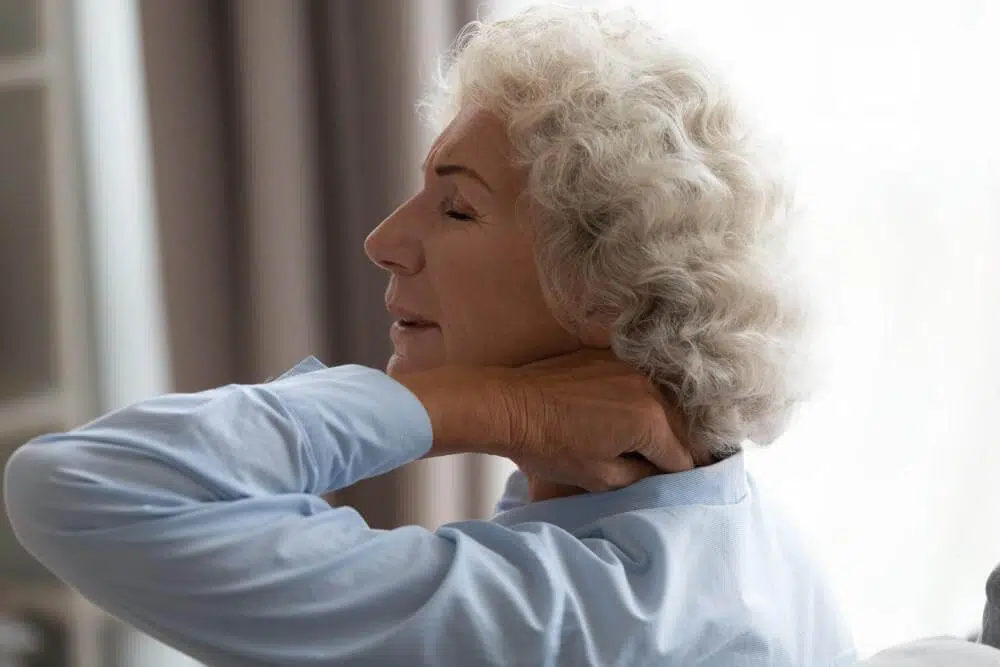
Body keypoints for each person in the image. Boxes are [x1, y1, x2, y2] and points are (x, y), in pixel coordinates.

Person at [3, 5, 856, 666]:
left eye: (457, 206)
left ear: (603, 287)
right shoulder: (745, 536)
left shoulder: (555, 619)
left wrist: (477, 405)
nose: (384, 239)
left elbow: (79, 485)